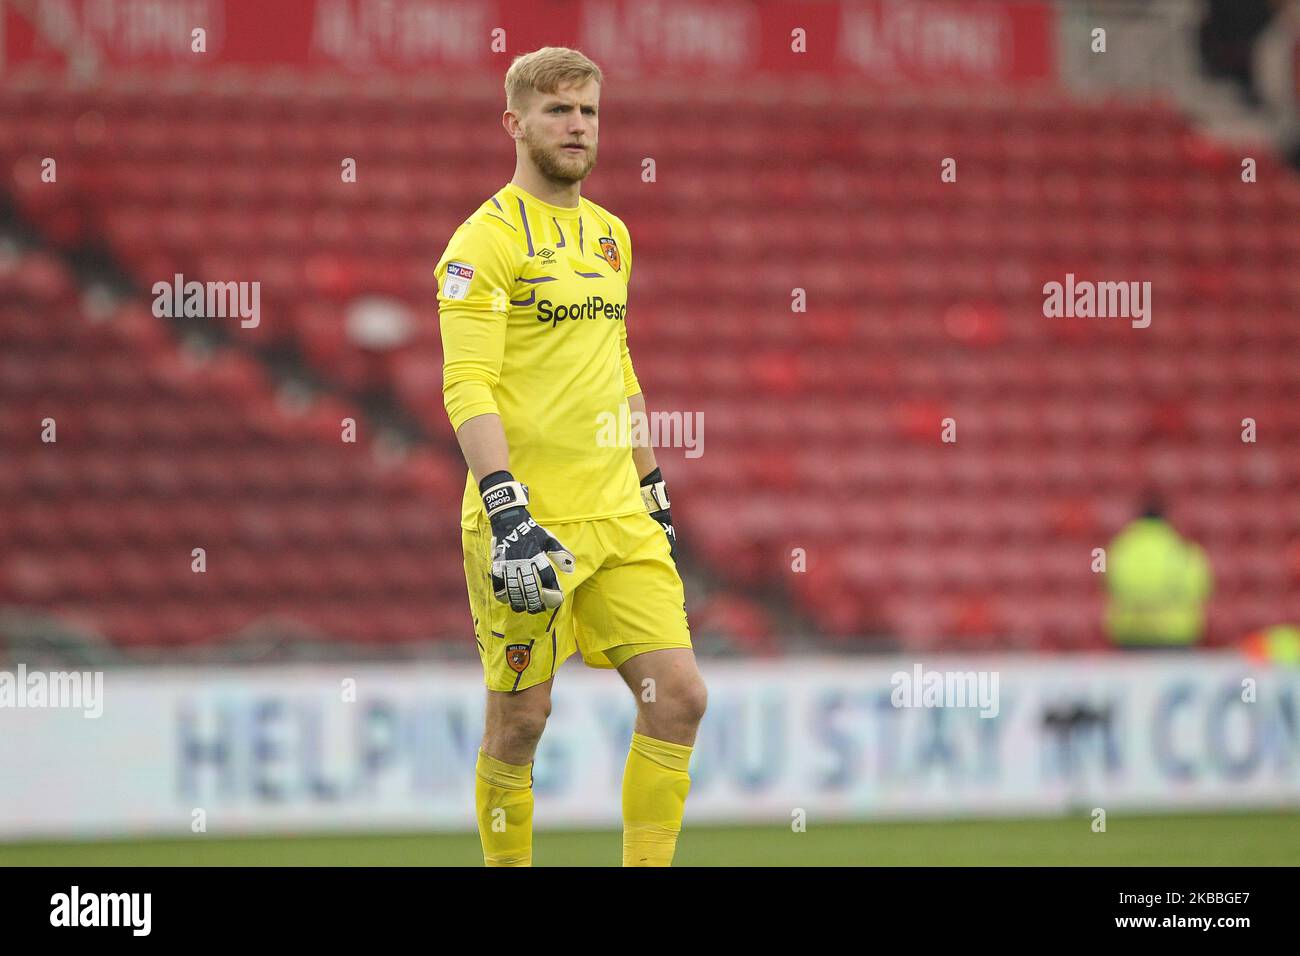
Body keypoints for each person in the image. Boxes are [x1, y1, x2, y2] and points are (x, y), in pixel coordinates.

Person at [434, 47, 707, 866]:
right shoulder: (481, 243)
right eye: (559, 110)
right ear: (514, 123)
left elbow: (618, 367)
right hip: (530, 521)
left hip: (618, 513)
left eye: (588, 110)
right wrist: (506, 507)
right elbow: (466, 383)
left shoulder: (612, 237)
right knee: (521, 721)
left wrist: (651, 479)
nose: (578, 125)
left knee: (681, 699)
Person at [1105, 496, 1213, 649]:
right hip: (1175, 634)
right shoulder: (1183, 549)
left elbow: (1108, 584)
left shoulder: (1120, 549)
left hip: (1131, 633)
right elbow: (1200, 589)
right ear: (1166, 518)